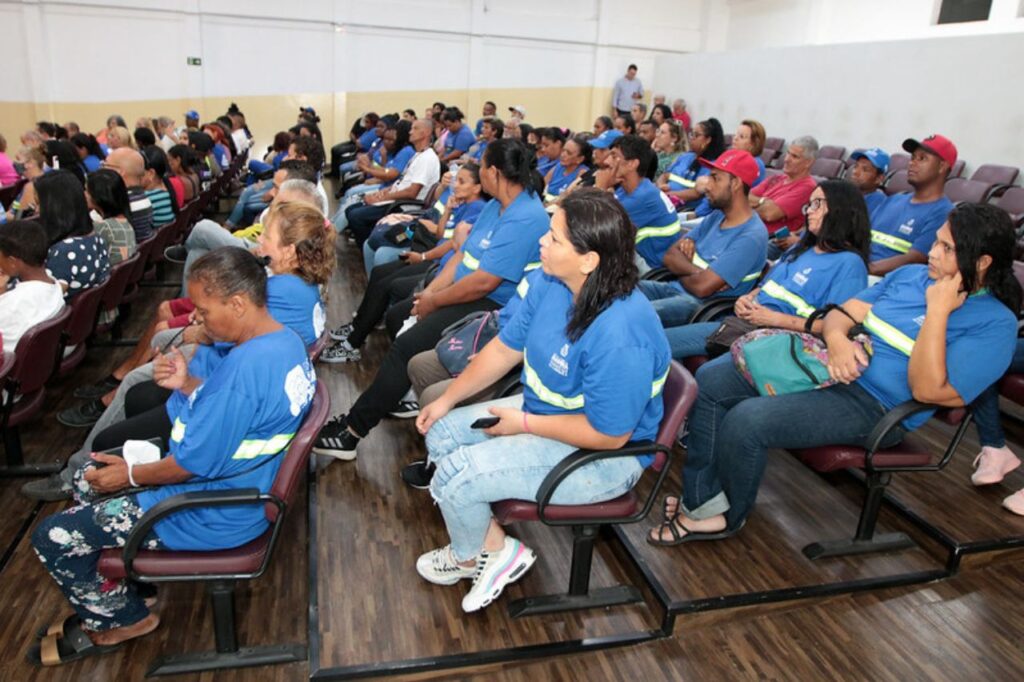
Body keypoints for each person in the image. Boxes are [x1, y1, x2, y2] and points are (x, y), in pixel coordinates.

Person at [651, 203, 1020, 544]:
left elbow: (926, 391)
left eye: (947, 248)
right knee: (714, 378)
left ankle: (729, 517)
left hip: (877, 407)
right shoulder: (910, 276)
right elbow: (841, 315)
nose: (934, 253)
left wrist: (937, 312)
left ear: (983, 261)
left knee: (747, 420)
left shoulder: (994, 324)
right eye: (936, 242)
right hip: (827, 368)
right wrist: (840, 342)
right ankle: (701, 503)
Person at [28, 247, 316, 666]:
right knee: (85, 478)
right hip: (242, 486)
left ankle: (123, 619)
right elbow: (238, 416)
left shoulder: (244, 369)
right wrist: (188, 383)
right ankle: (129, 589)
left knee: (50, 537)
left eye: (203, 309)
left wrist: (130, 476)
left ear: (236, 304)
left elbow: (187, 467)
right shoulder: (284, 341)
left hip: (212, 509)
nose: (197, 319)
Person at [413, 188, 670, 612]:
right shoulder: (553, 283)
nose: (541, 243)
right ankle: (492, 546)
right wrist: (448, 400)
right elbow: (503, 349)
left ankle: (473, 554)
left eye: (554, 238)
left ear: (589, 260)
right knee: (441, 434)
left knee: (458, 474)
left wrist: (524, 426)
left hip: (606, 457)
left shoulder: (622, 332)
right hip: (553, 416)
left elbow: (610, 435)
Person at [313, 138, 548, 460]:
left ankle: (352, 431)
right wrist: (430, 292)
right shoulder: (497, 205)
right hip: (468, 291)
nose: (479, 173)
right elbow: (462, 254)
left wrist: (436, 303)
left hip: (493, 305)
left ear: (493, 172)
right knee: (398, 314)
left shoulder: (527, 216)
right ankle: (400, 391)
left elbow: (484, 283)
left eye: (481, 168)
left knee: (406, 345)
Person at [663, 180, 870, 360]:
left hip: (779, 342)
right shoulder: (800, 248)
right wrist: (747, 299)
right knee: (660, 342)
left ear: (840, 209)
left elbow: (835, 327)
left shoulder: (849, 264)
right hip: (745, 323)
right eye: (809, 205)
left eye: (817, 204)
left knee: (667, 349)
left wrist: (774, 319)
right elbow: (764, 286)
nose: (809, 211)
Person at [322, 162, 489, 364]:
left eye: (462, 181)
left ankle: (352, 344)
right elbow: (442, 233)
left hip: (436, 261)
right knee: (380, 273)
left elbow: (451, 244)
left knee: (388, 283)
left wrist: (424, 257)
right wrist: (448, 210)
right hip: (432, 252)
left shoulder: (478, 210)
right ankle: (358, 326)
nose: (455, 184)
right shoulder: (460, 202)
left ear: (477, 188)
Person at [637, 150, 767, 327]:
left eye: (715, 178)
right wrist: (697, 273)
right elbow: (670, 256)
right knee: (610, 293)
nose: (707, 185)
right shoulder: (717, 216)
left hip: (700, 307)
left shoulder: (751, 236)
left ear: (735, 183)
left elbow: (702, 288)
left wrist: (685, 270)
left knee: (634, 314)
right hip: (674, 288)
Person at [343, 119, 440, 246]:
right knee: (351, 209)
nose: (410, 132)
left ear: (425, 133)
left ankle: (371, 246)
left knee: (355, 216)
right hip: (395, 197)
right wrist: (383, 192)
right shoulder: (418, 155)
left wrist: (382, 197)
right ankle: (369, 243)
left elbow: (412, 192)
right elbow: (401, 181)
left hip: (405, 204)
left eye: (415, 128)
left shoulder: (427, 159)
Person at [869, 135, 956, 277]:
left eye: (922, 158)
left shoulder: (944, 213)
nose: (912, 163)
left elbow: (916, 258)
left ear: (942, 166)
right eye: (912, 158)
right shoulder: (893, 200)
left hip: (890, 283)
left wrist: (865, 269)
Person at [598, 135, 679, 272]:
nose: (607, 161)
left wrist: (600, 187)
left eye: (614, 156)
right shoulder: (629, 189)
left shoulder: (644, 197)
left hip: (650, 270)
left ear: (632, 164)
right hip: (637, 258)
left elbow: (593, 225)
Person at [36, 170, 111, 298]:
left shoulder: (64, 251)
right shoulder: (95, 238)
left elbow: (47, 299)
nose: (37, 210)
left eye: (39, 204)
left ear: (53, 207)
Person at [0, 220, 65, 353]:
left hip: (9, 364)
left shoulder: (12, 304)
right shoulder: (54, 284)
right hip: (36, 358)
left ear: (12, 262)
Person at [750, 135, 818, 258]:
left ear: (808, 162)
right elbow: (743, 197)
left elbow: (769, 214)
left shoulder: (807, 187)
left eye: (794, 156)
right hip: (750, 230)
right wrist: (764, 202)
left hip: (771, 240)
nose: (786, 159)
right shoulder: (776, 178)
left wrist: (753, 205)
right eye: (788, 153)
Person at [658, 118, 726, 212]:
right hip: (663, 198)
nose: (691, 138)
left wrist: (668, 195)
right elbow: (665, 175)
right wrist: (660, 186)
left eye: (696, 135)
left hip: (684, 208)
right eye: (691, 134)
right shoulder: (685, 156)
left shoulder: (712, 166)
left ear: (708, 140)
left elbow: (696, 194)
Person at [86, 169, 137, 265]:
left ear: (98, 197)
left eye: (87, 191)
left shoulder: (103, 227)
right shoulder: (124, 220)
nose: (84, 194)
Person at [102, 148, 154, 241]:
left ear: (119, 172)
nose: (101, 170)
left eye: (106, 165)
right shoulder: (143, 198)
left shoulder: (122, 205)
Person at [543, 135, 590, 204]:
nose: (563, 155)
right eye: (563, 150)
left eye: (568, 153)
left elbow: (569, 199)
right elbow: (542, 185)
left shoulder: (583, 173)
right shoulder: (558, 166)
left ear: (580, 159)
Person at [847, 147, 890, 220]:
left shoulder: (880, 205)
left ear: (879, 178)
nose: (855, 172)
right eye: (856, 166)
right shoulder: (845, 194)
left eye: (865, 169)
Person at [139, 146, 177, 226]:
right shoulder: (166, 189)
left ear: (151, 173)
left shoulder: (148, 199)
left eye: (139, 171)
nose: (136, 174)